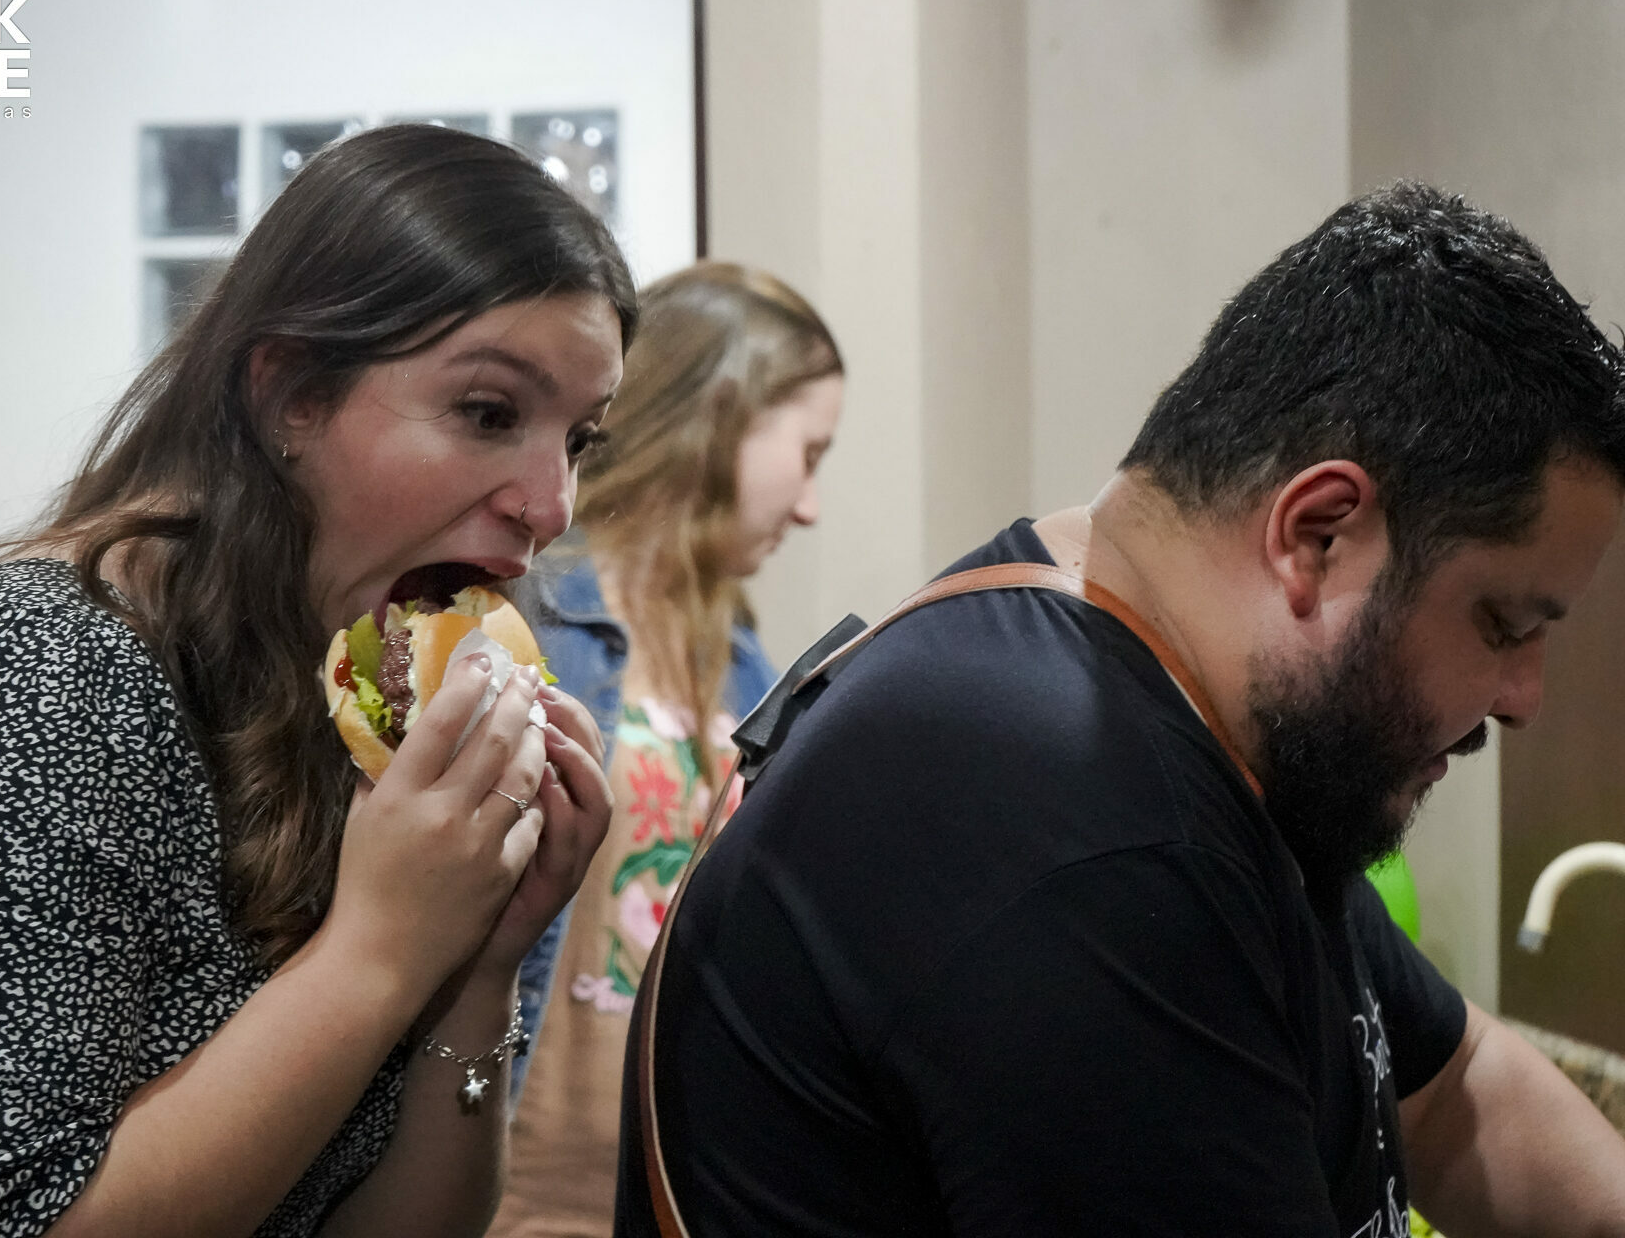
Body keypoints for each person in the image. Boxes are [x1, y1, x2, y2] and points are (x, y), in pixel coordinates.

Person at [617, 183, 1625, 1236]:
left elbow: (1454, 1086)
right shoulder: (1083, 826)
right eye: (1503, 623)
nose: (1524, 698)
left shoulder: (1201, 720)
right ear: (1319, 533)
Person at [0, 124, 633, 1238]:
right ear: (289, 392)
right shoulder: (33, 671)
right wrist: (379, 949)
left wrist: (482, 960)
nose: (550, 506)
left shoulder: (349, 694)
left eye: (580, 439)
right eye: (489, 413)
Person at [494, 262, 844, 1236]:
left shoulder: (746, 669)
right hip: (499, 1202)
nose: (810, 505)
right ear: (723, 414)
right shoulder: (530, 617)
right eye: (809, 452)